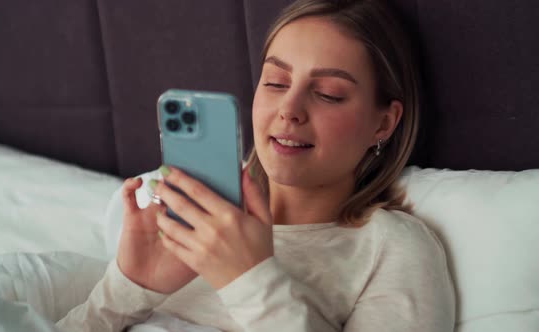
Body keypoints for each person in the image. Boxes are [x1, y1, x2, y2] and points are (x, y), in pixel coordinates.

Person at [57, 0, 456, 331]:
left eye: (329, 94)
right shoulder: (195, 225)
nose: (289, 109)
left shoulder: (390, 248)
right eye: (276, 82)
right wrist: (130, 287)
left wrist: (249, 278)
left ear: (383, 122)